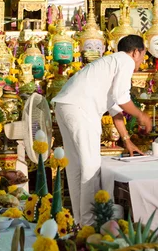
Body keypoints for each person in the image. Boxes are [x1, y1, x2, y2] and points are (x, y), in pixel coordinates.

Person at [52, 34, 152, 226]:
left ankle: (80, 221)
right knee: (91, 167)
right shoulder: (125, 61)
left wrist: (127, 140)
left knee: (75, 167)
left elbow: (115, 109)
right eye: (143, 55)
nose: (142, 60)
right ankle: (89, 224)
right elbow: (122, 98)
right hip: (81, 108)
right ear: (136, 52)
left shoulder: (109, 63)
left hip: (65, 106)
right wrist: (141, 116)